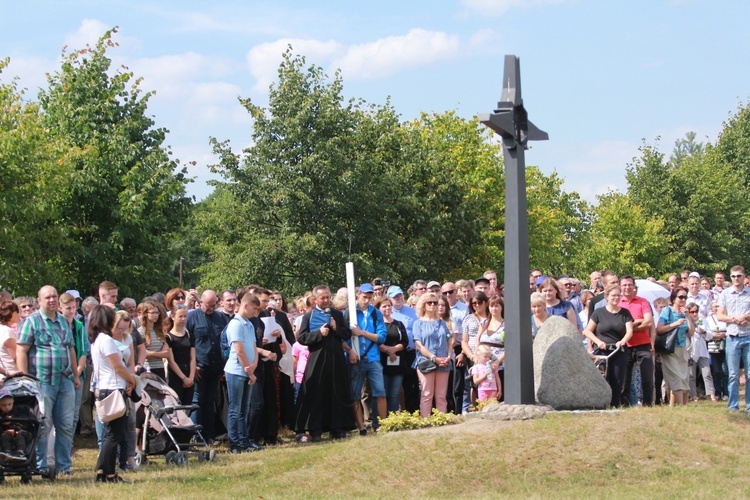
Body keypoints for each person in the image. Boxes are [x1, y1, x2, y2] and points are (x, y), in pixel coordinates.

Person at [16, 285, 79, 475]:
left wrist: (76, 375)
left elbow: (71, 349)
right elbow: (21, 350)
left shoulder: (63, 321)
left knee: (66, 426)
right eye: (47, 297)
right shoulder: (31, 322)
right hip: (42, 382)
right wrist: (25, 380)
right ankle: (41, 467)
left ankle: (63, 467)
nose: (52, 300)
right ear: (39, 300)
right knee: (43, 426)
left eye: (54, 296)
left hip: (65, 380)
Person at [294, 286, 355, 442]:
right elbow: (301, 338)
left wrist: (336, 328)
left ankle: (338, 428)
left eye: (328, 297)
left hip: (335, 359)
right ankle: (316, 430)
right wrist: (318, 334)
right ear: (315, 300)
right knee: (317, 393)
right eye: (323, 298)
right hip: (316, 359)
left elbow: (347, 333)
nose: (326, 300)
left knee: (337, 392)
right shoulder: (309, 316)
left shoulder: (336, 314)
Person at [90, 305, 136, 483]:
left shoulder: (97, 339)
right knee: (115, 434)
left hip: (104, 387)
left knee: (111, 433)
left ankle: (103, 471)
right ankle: (108, 473)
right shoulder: (106, 340)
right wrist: (131, 380)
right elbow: (118, 366)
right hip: (113, 388)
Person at [343, 283, 386, 435]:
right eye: (364, 297)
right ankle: (361, 427)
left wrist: (362, 333)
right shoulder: (348, 313)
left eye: (369, 297)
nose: (366, 301)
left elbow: (381, 337)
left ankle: (381, 424)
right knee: (356, 394)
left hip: (373, 358)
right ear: (358, 294)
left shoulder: (376, 314)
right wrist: (349, 351)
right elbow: (341, 337)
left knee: (380, 392)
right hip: (355, 359)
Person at [186, 290, 228, 443]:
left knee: (210, 402)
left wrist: (223, 366)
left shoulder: (220, 318)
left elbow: (224, 342)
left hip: (215, 367)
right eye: (208, 305)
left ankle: (208, 435)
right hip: (198, 367)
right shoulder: (191, 317)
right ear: (200, 302)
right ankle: (196, 435)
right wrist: (193, 366)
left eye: (214, 305)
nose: (211, 308)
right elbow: (187, 343)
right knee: (197, 401)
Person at [583, 284, 634, 408]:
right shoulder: (598, 313)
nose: (616, 298)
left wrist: (622, 341)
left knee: (617, 381)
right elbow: (587, 331)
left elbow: (629, 331)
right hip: (602, 352)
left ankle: (615, 406)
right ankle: (600, 405)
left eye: (618, 295)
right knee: (602, 379)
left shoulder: (625, 313)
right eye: (613, 295)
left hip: (618, 351)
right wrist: (598, 341)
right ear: (607, 297)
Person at [224, 292, 259, 454]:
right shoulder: (235, 324)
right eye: (254, 308)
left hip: (248, 370)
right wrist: (249, 369)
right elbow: (239, 350)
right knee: (235, 408)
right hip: (236, 371)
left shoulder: (249, 324)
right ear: (245, 306)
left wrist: (254, 364)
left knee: (245, 408)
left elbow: (253, 347)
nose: (255, 312)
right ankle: (235, 443)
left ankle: (244, 440)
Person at [715, 265, 750, 412]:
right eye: (734, 276)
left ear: (744, 277)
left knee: (749, 374)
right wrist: (735, 319)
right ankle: (733, 406)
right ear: (731, 277)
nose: (736, 279)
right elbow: (720, 315)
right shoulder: (725, 294)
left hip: (748, 336)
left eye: (739, 276)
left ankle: (749, 406)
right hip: (732, 337)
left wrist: (745, 317)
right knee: (733, 375)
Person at [413, 293, 453, 417]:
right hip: (426, 362)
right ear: (423, 305)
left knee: (441, 395)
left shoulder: (442, 323)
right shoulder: (418, 323)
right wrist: (433, 358)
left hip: (443, 362)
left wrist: (449, 356)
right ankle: (425, 421)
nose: (432, 305)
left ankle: (442, 420)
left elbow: (449, 339)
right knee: (426, 394)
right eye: (429, 302)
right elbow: (418, 344)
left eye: (435, 303)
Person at [618, 275, 654, 406]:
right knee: (624, 379)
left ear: (634, 287)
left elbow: (649, 322)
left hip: (643, 344)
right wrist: (636, 323)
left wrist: (629, 327)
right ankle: (625, 405)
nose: (627, 288)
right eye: (624, 285)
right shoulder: (617, 303)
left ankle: (648, 404)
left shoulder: (643, 301)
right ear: (620, 287)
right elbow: (618, 327)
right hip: (625, 345)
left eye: (629, 285)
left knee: (647, 377)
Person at [59, 293, 90, 442]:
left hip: (78, 372)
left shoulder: (79, 326)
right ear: (60, 308)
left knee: (75, 412)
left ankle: (69, 443)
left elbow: (83, 350)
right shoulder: (58, 325)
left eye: (73, 308)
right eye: (67, 308)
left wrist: (78, 371)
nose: (71, 311)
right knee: (63, 413)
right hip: (63, 374)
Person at [656, 287, 695, 406]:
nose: (683, 299)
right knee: (676, 378)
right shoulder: (667, 310)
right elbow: (660, 329)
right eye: (680, 297)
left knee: (684, 377)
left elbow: (691, 333)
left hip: (682, 347)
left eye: (685, 297)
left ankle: (674, 407)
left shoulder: (684, 313)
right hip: (669, 349)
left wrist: (688, 317)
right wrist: (675, 324)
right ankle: (682, 407)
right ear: (674, 298)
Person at [375, 296, 408, 415]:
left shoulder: (398, 324)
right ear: (379, 309)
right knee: (382, 393)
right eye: (384, 306)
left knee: (395, 394)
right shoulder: (376, 325)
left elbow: (405, 341)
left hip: (397, 363)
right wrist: (388, 351)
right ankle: (381, 419)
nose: (387, 308)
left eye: (389, 305)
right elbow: (375, 341)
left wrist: (394, 349)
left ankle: (393, 419)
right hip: (382, 363)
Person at [461, 291, 489, 412]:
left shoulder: (491, 317)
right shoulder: (468, 319)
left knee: (489, 382)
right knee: (473, 384)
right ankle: (474, 408)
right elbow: (464, 341)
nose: (477, 305)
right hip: (473, 356)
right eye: (474, 303)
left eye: (480, 302)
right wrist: (471, 356)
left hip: (488, 356)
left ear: (486, 302)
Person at [165, 305, 196, 405]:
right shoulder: (168, 337)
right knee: (177, 405)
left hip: (189, 372)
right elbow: (171, 361)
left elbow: (192, 358)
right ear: (173, 316)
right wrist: (183, 378)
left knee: (188, 405)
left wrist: (191, 377)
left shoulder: (189, 335)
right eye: (180, 316)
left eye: (185, 316)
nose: (183, 319)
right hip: (176, 374)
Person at [687, 305, 716, 402]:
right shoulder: (686, 321)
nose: (695, 314)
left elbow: (710, 335)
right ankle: (693, 395)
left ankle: (711, 395)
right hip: (691, 351)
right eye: (692, 312)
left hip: (702, 351)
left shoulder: (703, 321)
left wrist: (703, 332)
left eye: (696, 311)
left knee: (707, 373)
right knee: (691, 375)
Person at [479, 295, 505, 400]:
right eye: (491, 306)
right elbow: (478, 340)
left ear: (502, 307)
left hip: (499, 364)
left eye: (497, 306)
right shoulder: (484, 322)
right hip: (484, 364)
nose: (494, 309)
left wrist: (498, 361)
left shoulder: (506, 324)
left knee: (498, 391)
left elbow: (509, 346)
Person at [136, 300, 169, 380]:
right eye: (153, 313)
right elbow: (143, 353)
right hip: (147, 368)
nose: (156, 315)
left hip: (160, 368)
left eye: (157, 313)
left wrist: (152, 353)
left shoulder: (161, 331)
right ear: (146, 314)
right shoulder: (140, 331)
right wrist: (159, 354)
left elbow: (166, 354)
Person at [704, 301, 728, 400]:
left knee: (725, 371)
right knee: (716, 371)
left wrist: (723, 334)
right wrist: (714, 335)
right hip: (713, 347)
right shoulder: (708, 319)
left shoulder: (726, 317)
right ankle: (717, 392)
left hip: (725, 346)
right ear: (711, 308)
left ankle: (726, 392)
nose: (716, 308)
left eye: (718, 306)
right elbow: (705, 332)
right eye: (714, 306)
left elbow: (730, 329)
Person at [0, 389, 32, 459]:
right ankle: (7, 452)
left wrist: (16, 431)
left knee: (20, 435)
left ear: (13, 402)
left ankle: (20, 453)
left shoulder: (21, 410)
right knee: (4, 436)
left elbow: (31, 422)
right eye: (3, 405)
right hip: (7, 434)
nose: (7, 407)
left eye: (9, 404)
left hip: (24, 433)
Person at [0, 301, 20, 380]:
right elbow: (15, 357)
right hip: (11, 375)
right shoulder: (7, 332)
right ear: (12, 313)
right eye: (17, 312)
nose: (18, 314)